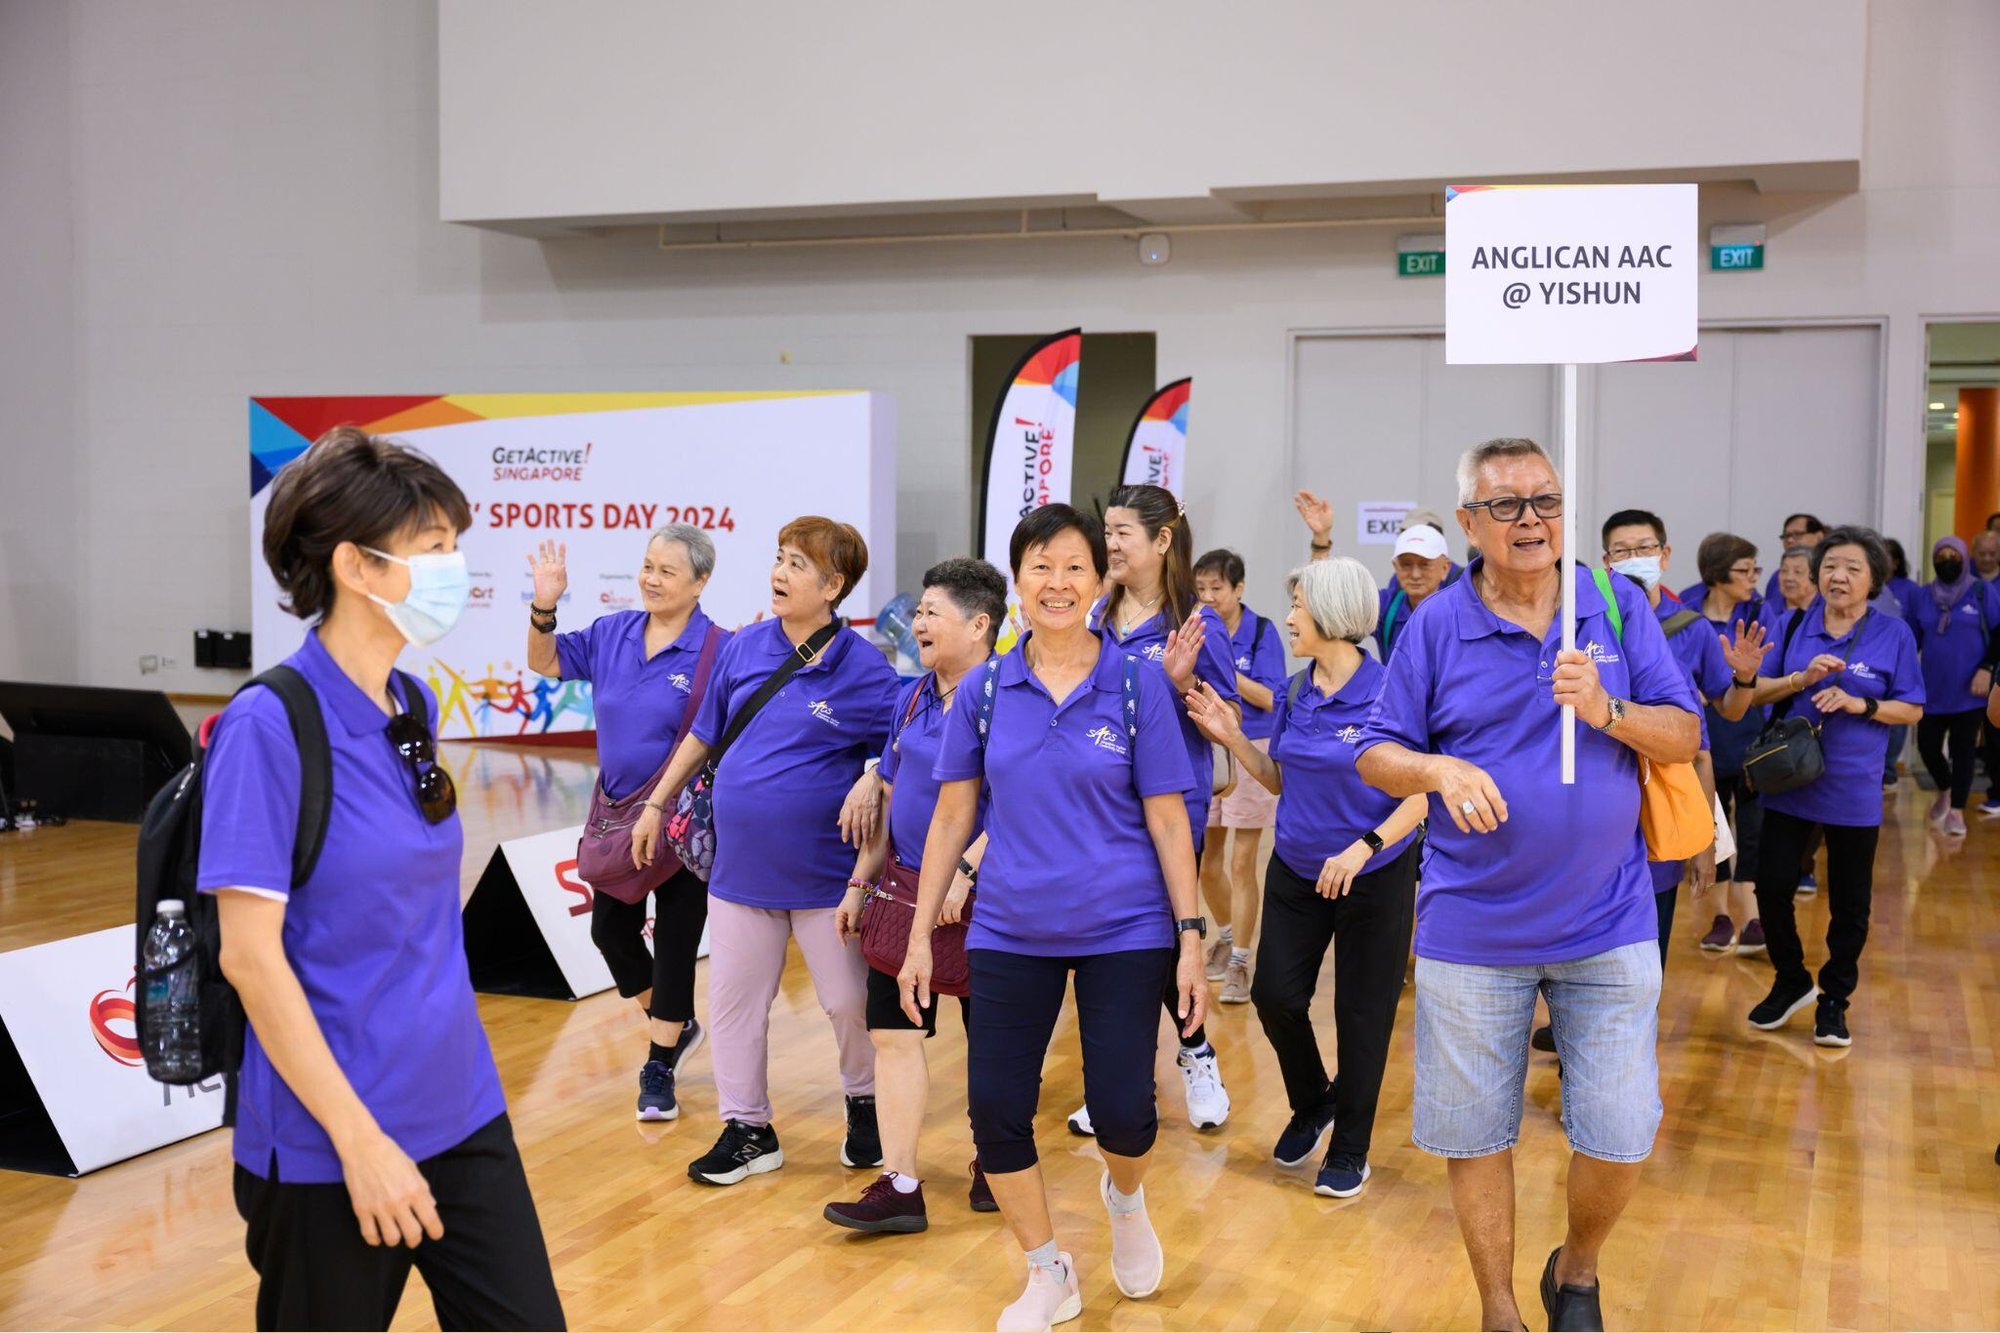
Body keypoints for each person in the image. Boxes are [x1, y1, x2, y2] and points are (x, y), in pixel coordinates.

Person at [201, 427, 564, 1330]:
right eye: (434, 548)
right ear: (356, 566)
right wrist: (359, 1142)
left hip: (460, 1105)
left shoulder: (411, 702)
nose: (457, 566)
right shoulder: (268, 726)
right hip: (332, 1140)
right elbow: (250, 959)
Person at [1354, 437, 1700, 1333]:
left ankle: (1575, 1269)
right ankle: (1500, 1309)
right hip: (1472, 930)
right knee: (1476, 1134)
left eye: (1544, 500)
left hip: (1610, 920)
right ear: (1468, 521)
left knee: (1622, 1129)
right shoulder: (1435, 622)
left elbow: (1683, 736)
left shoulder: (1614, 607)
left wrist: (1607, 710)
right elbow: (1376, 751)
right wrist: (1436, 772)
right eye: (1505, 504)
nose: (1530, 520)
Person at [901, 503, 1208, 1332]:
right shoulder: (990, 688)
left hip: (1127, 928)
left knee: (1124, 1113)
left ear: (1100, 579)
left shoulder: (1139, 684)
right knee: (996, 1108)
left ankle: (1127, 1195)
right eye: (1041, 566)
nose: (1059, 582)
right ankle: (1048, 1270)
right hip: (1009, 929)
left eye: (1075, 565)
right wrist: (922, 934)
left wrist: (1190, 937)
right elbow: (951, 817)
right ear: (1017, 583)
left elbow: (1170, 819)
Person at [631, 516, 900, 1187]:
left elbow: (906, 741)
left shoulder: (863, 667)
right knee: (732, 1004)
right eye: (779, 558)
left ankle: (864, 1105)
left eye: (798, 565)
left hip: (824, 875)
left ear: (833, 585)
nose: (780, 573)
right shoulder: (745, 646)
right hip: (738, 871)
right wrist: (657, 800)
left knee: (846, 1001)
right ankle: (748, 1126)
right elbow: (703, 733)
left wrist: (873, 773)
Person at [1185, 558, 1428, 1199]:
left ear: (1334, 617)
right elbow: (1282, 778)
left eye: (1298, 607)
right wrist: (1236, 739)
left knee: (1361, 1014)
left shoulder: (1390, 692)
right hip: (1296, 866)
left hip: (1372, 873)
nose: (1288, 618)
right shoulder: (1294, 692)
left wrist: (1364, 847)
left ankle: (1350, 1148)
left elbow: (1422, 792)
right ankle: (1315, 1100)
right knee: (1275, 996)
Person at [824, 558, 1006, 1233]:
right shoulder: (910, 697)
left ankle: (997, 1155)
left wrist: (968, 867)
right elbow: (895, 800)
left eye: (933, 610)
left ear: (980, 623)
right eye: (920, 610)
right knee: (892, 1032)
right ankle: (900, 1183)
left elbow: (1023, 799)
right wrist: (860, 882)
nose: (918, 621)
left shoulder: (1010, 697)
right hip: (903, 894)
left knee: (993, 1042)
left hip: (988, 898)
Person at [525, 527, 725, 1121]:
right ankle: (678, 1026)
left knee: (676, 944)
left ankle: (659, 1063)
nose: (651, 579)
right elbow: (546, 660)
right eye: (647, 566)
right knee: (611, 934)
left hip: (687, 821)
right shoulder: (612, 633)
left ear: (700, 582)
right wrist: (544, 604)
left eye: (667, 570)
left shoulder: (719, 649)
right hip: (618, 814)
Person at [1072, 482, 1237, 1132]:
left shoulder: (1196, 623)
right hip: (1097, 807)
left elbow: (1224, 719)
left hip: (1170, 806)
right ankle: (1122, 1080)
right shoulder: (1092, 615)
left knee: (1166, 936)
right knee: (1113, 944)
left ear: (1161, 539)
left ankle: (1196, 1053)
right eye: (1105, 532)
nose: (1109, 544)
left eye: (1122, 533)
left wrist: (1180, 682)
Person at [1736, 527, 1924, 1048]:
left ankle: (1834, 999)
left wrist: (1859, 703)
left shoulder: (1894, 634)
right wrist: (1801, 679)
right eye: (1831, 566)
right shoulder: (1793, 622)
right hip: (1791, 781)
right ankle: (1790, 978)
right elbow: (1755, 696)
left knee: (1850, 903)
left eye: (1852, 568)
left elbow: (1912, 706)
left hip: (1853, 787)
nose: (1838, 576)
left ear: (1874, 580)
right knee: (1772, 885)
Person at [1599, 510, 1760, 970]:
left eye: (1645, 549)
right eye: (1623, 551)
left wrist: (1745, 679)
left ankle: (1635, 1031)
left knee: (1649, 942)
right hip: (1602, 802)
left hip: (1664, 802)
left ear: (1665, 555)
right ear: (1606, 561)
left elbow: (1723, 714)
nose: (1635, 559)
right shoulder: (1589, 622)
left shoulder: (1691, 627)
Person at [1191, 548, 1287, 1005]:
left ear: (1239, 589)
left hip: (1253, 750)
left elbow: (1272, 698)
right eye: (1202, 588)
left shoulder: (1263, 631)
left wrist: (1221, 669)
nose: (1209, 597)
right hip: (1207, 750)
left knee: (1242, 863)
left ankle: (1240, 962)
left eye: (1218, 589)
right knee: (1207, 862)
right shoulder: (1192, 626)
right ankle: (1227, 934)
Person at [1690, 533, 1770, 954]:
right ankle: (1719, 918)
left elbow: (1761, 679)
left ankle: (1754, 918)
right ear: (1718, 574)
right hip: (1704, 745)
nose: (1754, 577)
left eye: (1756, 568)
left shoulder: (1761, 611)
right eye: (1745, 569)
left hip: (1751, 739)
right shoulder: (1687, 611)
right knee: (1714, 830)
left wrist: (1733, 681)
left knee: (1754, 833)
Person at [1910, 537, 2000, 836]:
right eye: (1941, 555)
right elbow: (1910, 640)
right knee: (1927, 746)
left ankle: (1957, 812)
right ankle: (1946, 789)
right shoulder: (1924, 596)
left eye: (1953, 555)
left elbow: (1999, 634)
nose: (1947, 560)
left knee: (1963, 752)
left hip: (1970, 690)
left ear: (1964, 559)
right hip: (1931, 689)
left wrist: (1987, 668)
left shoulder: (1982, 591)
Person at [1376, 523, 1459, 662]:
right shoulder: (1385, 606)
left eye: (1424, 564)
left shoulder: (1463, 611)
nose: (1415, 574)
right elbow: (1336, 613)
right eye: (1406, 564)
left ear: (1445, 568)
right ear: (1396, 567)